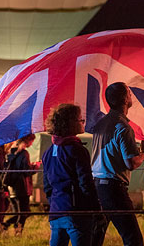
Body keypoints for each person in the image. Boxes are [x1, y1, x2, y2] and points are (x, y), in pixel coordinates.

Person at [90, 82, 144, 246]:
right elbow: (131, 162)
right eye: (129, 92)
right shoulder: (123, 127)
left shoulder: (101, 124)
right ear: (125, 99)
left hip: (97, 186)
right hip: (113, 189)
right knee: (133, 239)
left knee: (95, 237)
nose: (131, 95)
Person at [42, 103, 105, 246]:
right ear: (69, 124)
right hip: (77, 212)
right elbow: (86, 183)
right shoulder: (77, 150)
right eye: (80, 120)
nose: (83, 123)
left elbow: (48, 186)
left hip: (56, 212)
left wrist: (55, 204)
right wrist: (96, 210)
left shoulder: (48, 152)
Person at [2, 133, 38, 236]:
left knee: (19, 213)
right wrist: (36, 166)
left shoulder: (10, 152)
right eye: (32, 141)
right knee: (24, 213)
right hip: (22, 187)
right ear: (28, 141)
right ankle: (16, 231)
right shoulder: (24, 153)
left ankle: (8, 226)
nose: (32, 144)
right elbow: (25, 171)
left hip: (12, 188)